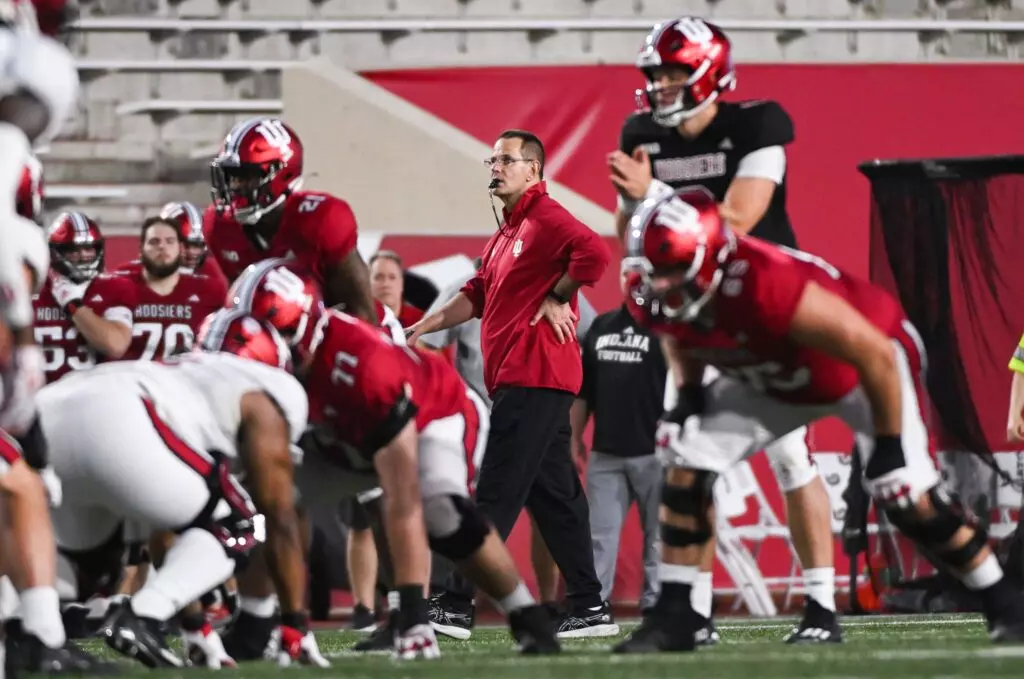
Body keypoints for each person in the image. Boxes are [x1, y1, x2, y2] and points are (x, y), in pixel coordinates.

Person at [614, 187, 1024, 652]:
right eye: (655, 274)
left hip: (860, 368)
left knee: (907, 495)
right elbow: (677, 331)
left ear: (710, 256)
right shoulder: (675, 289)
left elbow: (873, 353)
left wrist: (888, 444)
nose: (661, 287)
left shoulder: (767, 281)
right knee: (684, 455)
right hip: (774, 369)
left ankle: (1001, 597)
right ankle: (676, 614)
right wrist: (687, 397)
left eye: (671, 272)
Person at [608, 15, 838, 643]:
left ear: (707, 71)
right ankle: (695, 612)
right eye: (654, 73)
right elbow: (630, 227)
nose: (659, 84)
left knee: (792, 456)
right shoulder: (640, 132)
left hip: (766, 303)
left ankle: (821, 607)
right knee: (686, 459)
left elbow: (736, 218)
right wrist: (637, 266)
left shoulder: (757, 125)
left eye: (673, 71)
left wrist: (655, 189)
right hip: (694, 316)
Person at [224, 259, 561, 658]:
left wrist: (414, 615)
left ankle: (524, 614)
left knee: (440, 511)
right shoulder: (281, 358)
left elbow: (401, 498)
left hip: (432, 415)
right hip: (344, 427)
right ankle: (256, 621)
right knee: (270, 497)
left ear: (298, 328)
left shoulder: (363, 367)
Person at [406, 129, 615, 639]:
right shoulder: (507, 231)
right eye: (492, 159)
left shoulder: (545, 217)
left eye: (506, 160)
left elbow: (595, 254)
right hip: (528, 379)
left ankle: (455, 602)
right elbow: (476, 294)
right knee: (557, 498)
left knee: (496, 489)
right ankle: (589, 606)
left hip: (534, 375)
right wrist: (423, 328)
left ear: (533, 170)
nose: (495, 167)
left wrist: (559, 295)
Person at [36, 345, 322, 668]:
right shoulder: (268, 393)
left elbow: (166, 529)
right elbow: (278, 514)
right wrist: (295, 623)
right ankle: (141, 615)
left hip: (50, 406)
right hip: (119, 414)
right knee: (244, 524)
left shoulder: (182, 383)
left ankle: (30, 632)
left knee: (71, 552)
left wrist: (194, 625)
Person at [204, 116, 375, 322]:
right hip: (276, 335)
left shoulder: (321, 220)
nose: (236, 187)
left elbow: (363, 315)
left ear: (283, 175)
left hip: (339, 334)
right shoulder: (220, 225)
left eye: (248, 176)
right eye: (232, 177)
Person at [571, 260, 668, 615]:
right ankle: (593, 605)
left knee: (659, 537)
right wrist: (574, 436)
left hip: (656, 452)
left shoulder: (668, 328)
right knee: (598, 535)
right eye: (630, 275)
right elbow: (583, 390)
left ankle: (658, 603)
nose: (636, 283)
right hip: (606, 454)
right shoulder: (601, 325)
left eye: (643, 276)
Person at [33, 212, 138, 384]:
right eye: (73, 250)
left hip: (92, 398)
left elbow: (115, 345)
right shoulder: (35, 287)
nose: (83, 256)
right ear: (54, 252)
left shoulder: (113, 287)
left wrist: (72, 304)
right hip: (37, 394)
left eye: (89, 248)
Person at [114, 216, 224, 361]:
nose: (162, 247)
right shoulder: (116, 284)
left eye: (170, 241)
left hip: (182, 381)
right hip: (128, 379)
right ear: (141, 248)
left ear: (180, 248)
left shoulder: (210, 289)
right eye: (154, 241)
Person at [370, 250, 424, 328]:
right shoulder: (357, 320)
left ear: (401, 283)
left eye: (392, 277)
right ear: (368, 283)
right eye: (379, 277)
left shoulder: (421, 321)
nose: (386, 284)